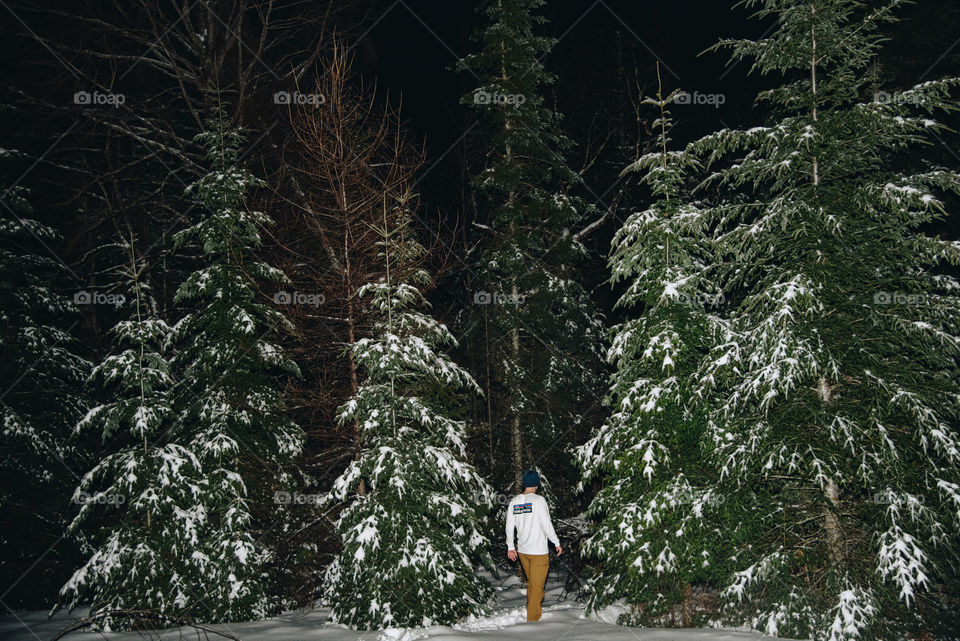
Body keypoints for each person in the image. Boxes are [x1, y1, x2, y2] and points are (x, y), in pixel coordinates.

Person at [505, 469, 562, 622]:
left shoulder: (514, 501)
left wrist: (511, 546)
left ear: (524, 484)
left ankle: (532, 612)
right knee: (537, 588)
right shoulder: (539, 501)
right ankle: (533, 622)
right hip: (538, 552)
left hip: (523, 552)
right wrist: (556, 542)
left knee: (533, 585)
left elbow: (509, 526)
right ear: (537, 484)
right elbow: (547, 525)